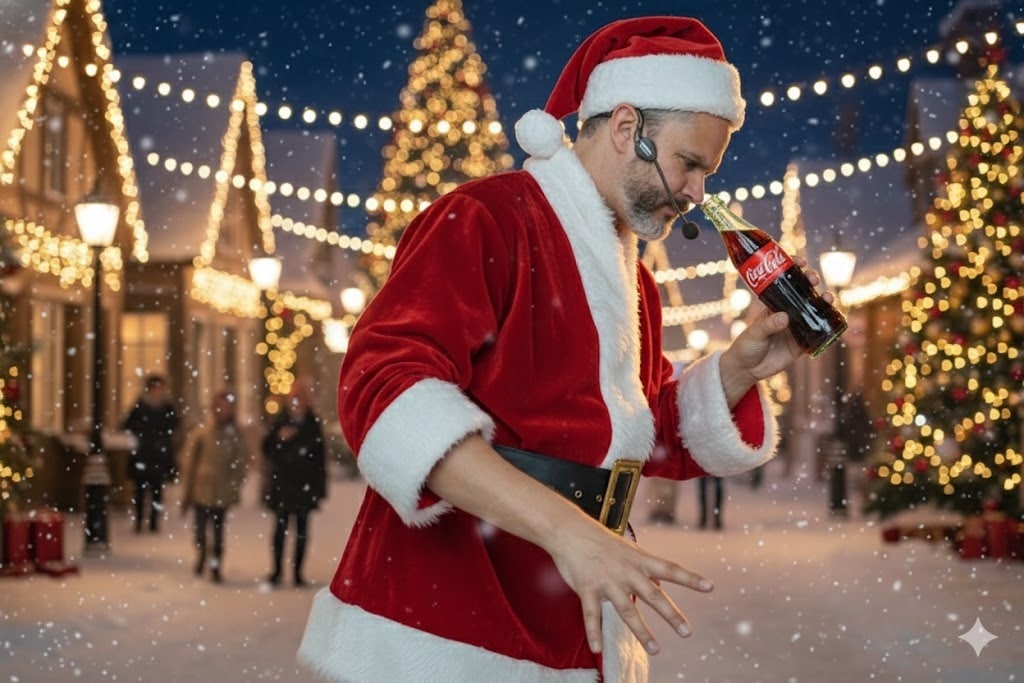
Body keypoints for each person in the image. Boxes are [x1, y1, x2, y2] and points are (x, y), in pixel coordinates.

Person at [299, 16, 833, 682]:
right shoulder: (486, 218)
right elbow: (384, 392)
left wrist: (737, 370)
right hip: (448, 628)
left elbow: (634, 437)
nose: (698, 194)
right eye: (690, 163)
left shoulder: (635, 283)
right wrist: (567, 530)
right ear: (626, 127)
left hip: (572, 632)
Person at [261, 378, 327, 587]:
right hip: (283, 485)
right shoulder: (280, 420)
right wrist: (280, 439)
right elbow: (267, 449)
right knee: (280, 530)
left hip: (303, 487)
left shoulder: (312, 424)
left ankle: (297, 573)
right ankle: (277, 571)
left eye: (301, 397)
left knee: (301, 531)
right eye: (294, 397)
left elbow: (319, 458)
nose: (297, 402)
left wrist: (319, 488)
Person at [180, 390, 249, 583]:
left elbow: (241, 462)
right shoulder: (202, 432)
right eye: (219, 406)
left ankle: (216, 565)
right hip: (202, 489)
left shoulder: (234, 434)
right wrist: (188, 489)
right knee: (200, 529)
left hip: (222, 490)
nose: (222, 410)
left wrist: (234, 483)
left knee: (218, 531)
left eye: (226, 407)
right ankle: (202, 553)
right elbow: (189, 462)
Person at [121, 374, 180, 534]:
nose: (158, 391)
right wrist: (141, 436)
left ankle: (154, 521)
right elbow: (128, 424)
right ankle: (139, 520)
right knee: (140, 491)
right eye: (156, 388)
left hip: (159, 455)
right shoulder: (141, 406)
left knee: (157, 491)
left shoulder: (166, 407)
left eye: (161, 388)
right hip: (142, 454)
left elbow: (174, 425)